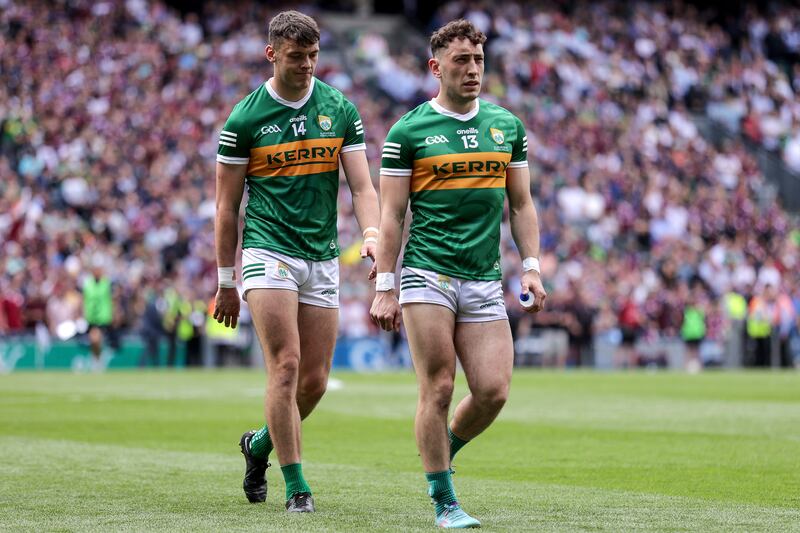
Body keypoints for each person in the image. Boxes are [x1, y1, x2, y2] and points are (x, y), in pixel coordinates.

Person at [369, 19, 547, 529]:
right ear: (436, 67)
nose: (472, 69)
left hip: (484, 278)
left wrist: (531, 268)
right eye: (461, 61)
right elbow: (391, 216)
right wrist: (386, 285)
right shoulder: (409, 131)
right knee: (440, 387)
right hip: (428, 275)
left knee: (492, 391)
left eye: (478, 60)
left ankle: (440, 451)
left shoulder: (506, 126)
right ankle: (444, 499)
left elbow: (521, 204)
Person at [212, 11, 380, 513]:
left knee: (315, 381)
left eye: (313, 55)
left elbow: (362, 185)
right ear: (272, 54)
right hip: (268, 250)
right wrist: (226, 280)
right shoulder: (244, 119)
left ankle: (258, 445)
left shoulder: (339, 109)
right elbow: (226, 208)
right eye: (296, 56)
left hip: (321, 255)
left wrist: (371, 233)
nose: (307, 65)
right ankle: (297, 486)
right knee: (285, 365)